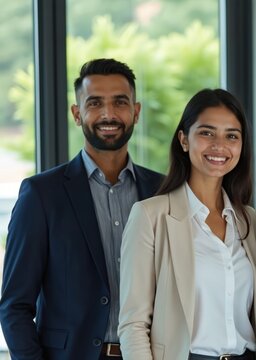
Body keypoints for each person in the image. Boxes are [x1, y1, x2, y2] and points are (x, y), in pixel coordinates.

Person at [0, 58, 163, 359]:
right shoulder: (41, 195)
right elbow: (14, 306)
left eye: (120, 102)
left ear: (136, 112)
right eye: (95, 103)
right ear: (77, 114)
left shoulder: (162, 191)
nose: (108, 114)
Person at [118, 88, 256, 360]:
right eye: (206, 133)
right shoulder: (151, 216)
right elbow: (133, 324)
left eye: (231, 135)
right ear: (184, 140)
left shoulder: (250, 220)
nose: (219, 145)